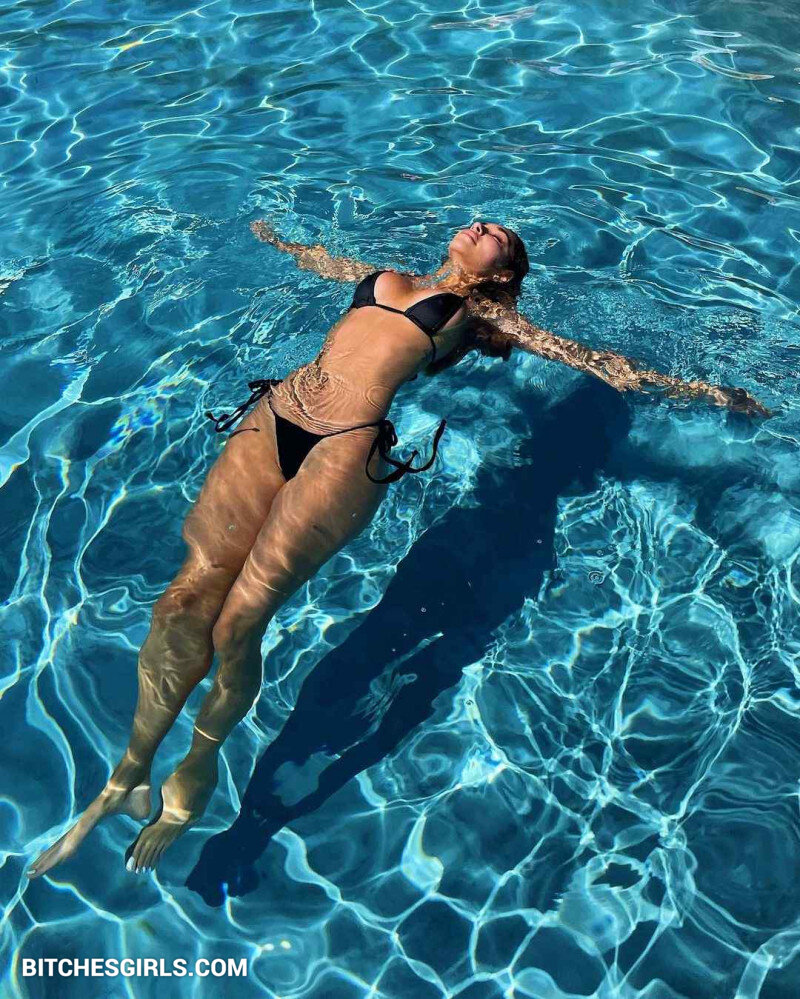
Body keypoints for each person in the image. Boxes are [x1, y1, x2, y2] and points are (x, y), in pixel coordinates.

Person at [27, 219, 769, 879]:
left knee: (239, 621)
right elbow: (318, 259)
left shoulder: (482, 313)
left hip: (345, 447)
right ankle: (127, 774)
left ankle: (198, 762)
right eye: (482, 221)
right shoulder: (386, 276)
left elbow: (593, 359)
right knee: (185, 599)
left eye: (499, 237)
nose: (481, 225)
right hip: (277, 412)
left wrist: (707, 392)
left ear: (503, 273)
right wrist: (268, 235)